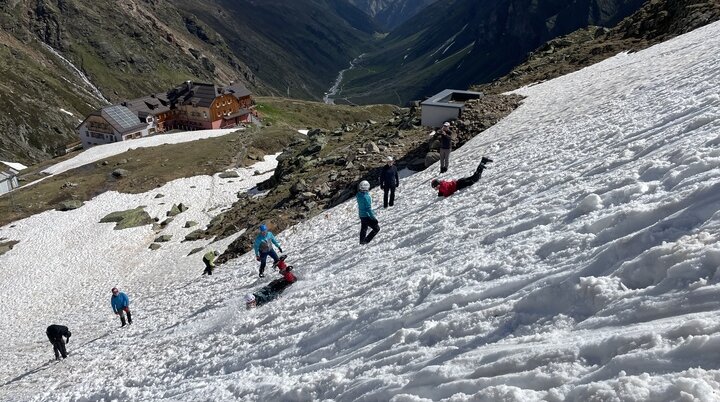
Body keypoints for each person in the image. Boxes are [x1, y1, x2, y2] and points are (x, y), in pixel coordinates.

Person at [356, 180, 380, 245]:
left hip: (361, 215)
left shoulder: (358, 195)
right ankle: (366, 241)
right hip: (366, 216)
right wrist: (373, 218)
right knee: (377, 228)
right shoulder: (366, 197)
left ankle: (362, 241)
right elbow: (368, 209)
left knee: (364, 228)